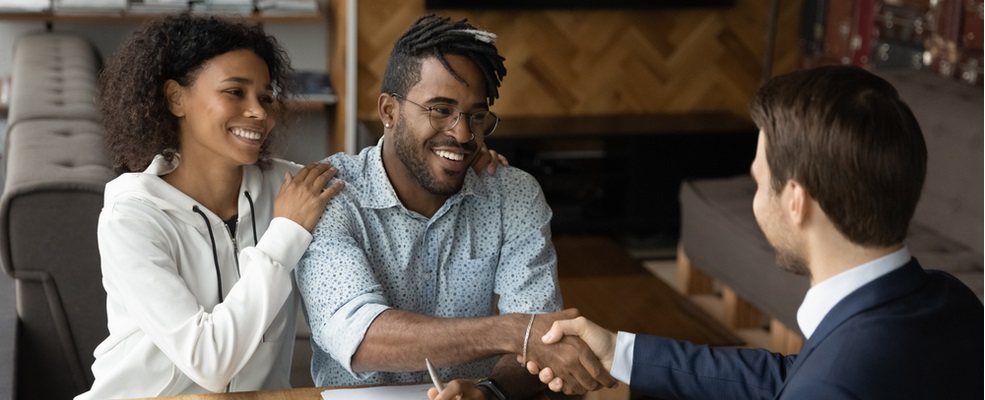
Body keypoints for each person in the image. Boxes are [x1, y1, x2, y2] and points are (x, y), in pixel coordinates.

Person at [514, 66, 984, 400]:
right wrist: (619, 351)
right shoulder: (953, 300)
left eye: (759, 181)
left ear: (796, 201)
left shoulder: (834, 381)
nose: (755, 197)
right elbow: (790, 377)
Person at [295, 14, 616, 400]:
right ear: (389, 112)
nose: (463, 134)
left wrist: (491, 391)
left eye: (476, 116)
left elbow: (542, 344)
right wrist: (514, 331)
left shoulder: (512, 195)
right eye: (440, 110)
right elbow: (360, 338)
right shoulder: (331, 195)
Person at [75, 13, 347, 399]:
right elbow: (209, 363)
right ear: (176, 98)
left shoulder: (290, 190)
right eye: (235, 92)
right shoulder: (132, 216)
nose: (259, 112)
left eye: (266, 97)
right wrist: (285, 234)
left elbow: (371, 189)